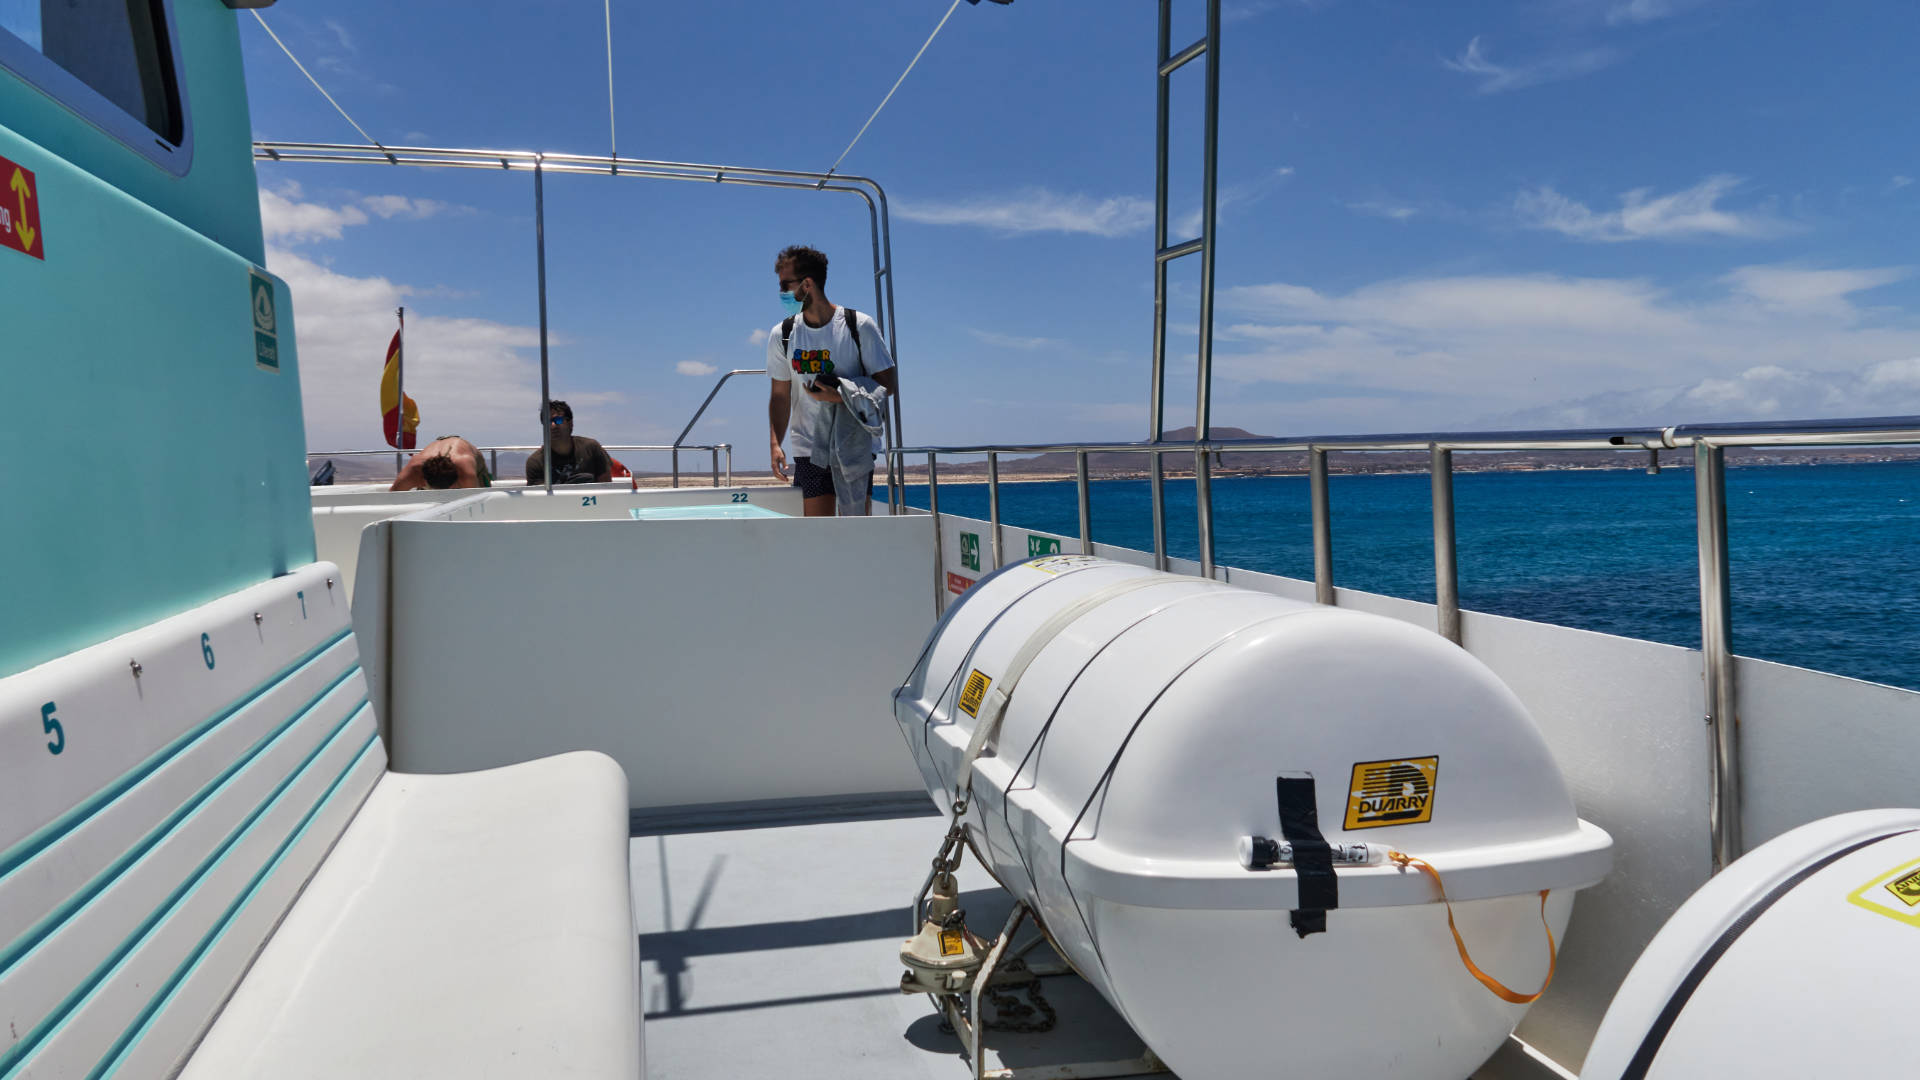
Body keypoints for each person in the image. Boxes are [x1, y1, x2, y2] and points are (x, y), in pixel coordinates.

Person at [765, 245, 897, 516]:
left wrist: (840, 395)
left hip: (854, 445)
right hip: (809, 449)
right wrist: (775, 443)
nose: (781, 293)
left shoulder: (857, 326)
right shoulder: (783, 334)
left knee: (856, 533)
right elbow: (780, 395)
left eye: (785, 285)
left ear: (807, 283)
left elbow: (888, 384)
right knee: (817, 536)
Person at [524, 399, 613, 485]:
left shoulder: (592, 448)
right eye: (547, 422)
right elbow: (540, 499)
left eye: (558, 420)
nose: (553, 426)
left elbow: (606, 489)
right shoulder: (536, 462)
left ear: (570, 423)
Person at [389, 435, 493, 491]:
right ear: (422, 480)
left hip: (467, 454)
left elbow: (476, 502)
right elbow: (392, 500)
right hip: (438, 451)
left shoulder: (465, 471)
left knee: (483, 496)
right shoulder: (413, 470)